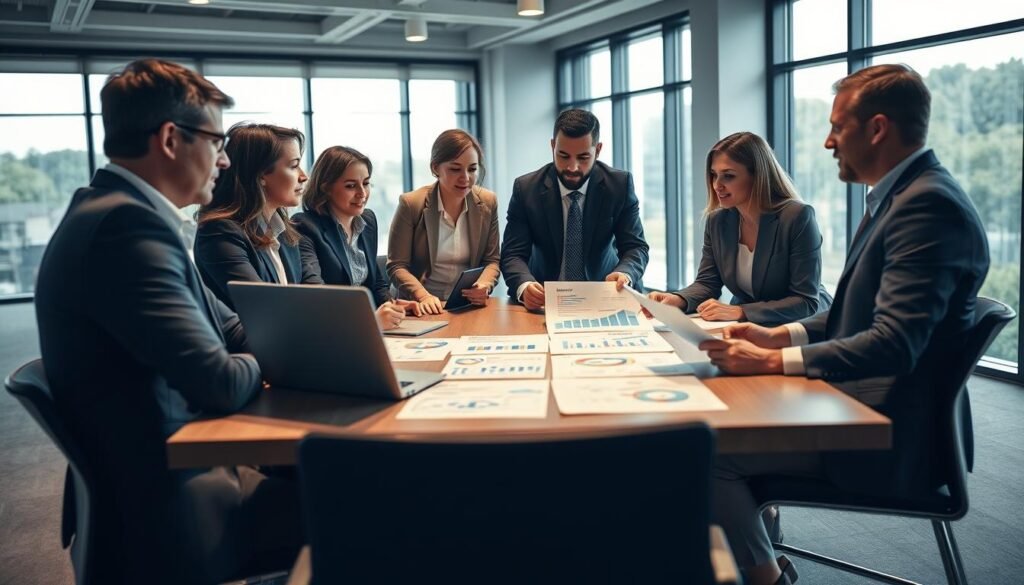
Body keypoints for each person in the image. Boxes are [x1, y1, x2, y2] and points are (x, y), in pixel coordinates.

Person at [699, 64, 989, 585]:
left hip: (891, 431)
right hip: (863, 403)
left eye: (838, 127)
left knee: (707, 450)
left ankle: (768, 578)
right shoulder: (901, 198)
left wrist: (772, 361)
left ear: (876, 129)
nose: (828, 142)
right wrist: (778, 334)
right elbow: (852, 308)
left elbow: (894, 343)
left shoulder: (927, 207)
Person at [33, 59, 300, 584]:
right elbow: (219, 381)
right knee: (370, 495)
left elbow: (231, 330)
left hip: (169, 476)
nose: (224, 161)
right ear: (171, 139)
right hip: (170, 504)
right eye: (217, 143)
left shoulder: (125, 213)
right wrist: (278, 356)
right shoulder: (125, 228)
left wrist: (292, 347)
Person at [648, 132, 832, 326]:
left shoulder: (797, 217)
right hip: (750, 325)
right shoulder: (717, 221)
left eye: (728, 176)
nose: (717, 185)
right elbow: (707, 282)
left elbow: (805, 301)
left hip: (803, 326)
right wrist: (678, 300)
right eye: (714, 175)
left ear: (758, 176)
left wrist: (741, 311)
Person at [500, 108, 649, 310]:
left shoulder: (619, 185)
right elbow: (512, 253)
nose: (572, 167)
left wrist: (625, 273)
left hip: (607, 300)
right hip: (547, 303)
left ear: (598, 150)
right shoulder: (526, 190)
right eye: (563, 156)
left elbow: (635, 247)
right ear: (552, 145)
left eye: (583, 157)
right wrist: (524, 285)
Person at [195, 122, 323, 309]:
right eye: (294, 165)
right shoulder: (219, 233)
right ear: (261, 174)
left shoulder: (285, 232)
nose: (304, 176)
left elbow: (310, 298)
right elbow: (266, 308)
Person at [294, 145, 418, 330]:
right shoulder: (305, 226)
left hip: (371, 328)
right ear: (326, 188)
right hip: (335, 330)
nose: (362, 193)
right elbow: (317, 295)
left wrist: (391, 306)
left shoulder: (367, 220)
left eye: (366, 183)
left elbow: (376, 282)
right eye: (351, 186)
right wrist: (371, 321)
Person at [387, 129, 500, 314]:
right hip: (418, 307)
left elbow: (492, 260)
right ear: (435, 168)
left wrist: (484, 285)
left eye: (472, 169)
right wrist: (423, 296)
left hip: (464, 307)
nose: (465, 178)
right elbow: (396, 265)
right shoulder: (410, 204)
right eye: (455, 169)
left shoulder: (488, 202)